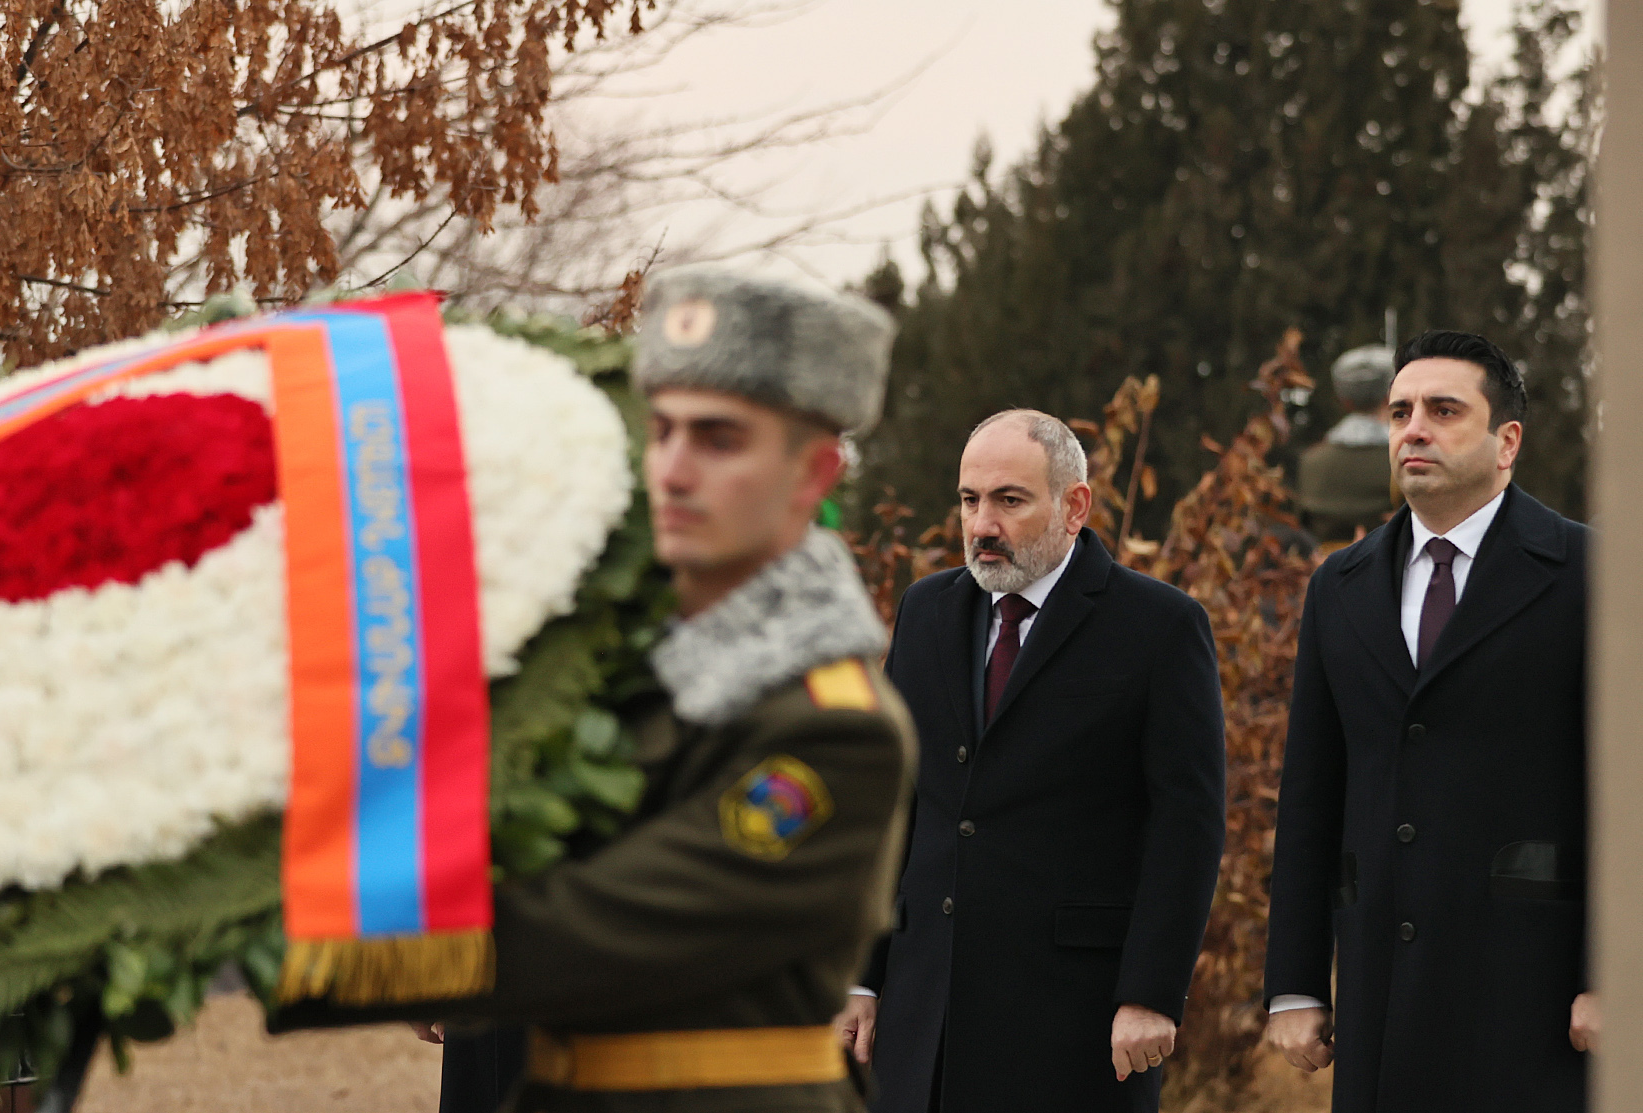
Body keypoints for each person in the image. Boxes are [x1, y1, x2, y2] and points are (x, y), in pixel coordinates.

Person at [296, 264, 917, 1113]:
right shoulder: (605, 660)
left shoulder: (834, 728)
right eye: (661, 430)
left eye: (719, 439)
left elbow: (586, 934)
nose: (672, 467)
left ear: (813, 474)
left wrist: (280, 917)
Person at [837, 410, 1226, 1113]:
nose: (982, 523)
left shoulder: (1160, 626)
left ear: (1074, 506)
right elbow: (892, 802)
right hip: (922, 1017)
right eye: (969, 500)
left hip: (1075, 1023)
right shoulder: (926, 611)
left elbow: (1188, 824)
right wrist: (864, 975)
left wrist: (1150, 991)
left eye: (1009, 500)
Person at [1264, 330, 1596, 1113]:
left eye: (1444, 410)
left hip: (1534, 1001)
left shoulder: (1592, 573)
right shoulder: (1337, 587)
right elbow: (1310, 793)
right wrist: (1294, 984)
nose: (1413, 428)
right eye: (1400, 411)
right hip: (1381, 997)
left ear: (1506, 439)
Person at [1297, 344, 1399, 545]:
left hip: (1322, 570)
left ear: (1343, 400)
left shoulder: (1311, 461)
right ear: (1390, 396)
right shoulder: (1404, 459)